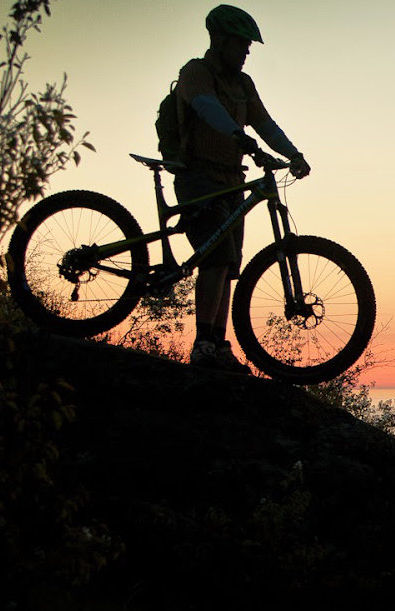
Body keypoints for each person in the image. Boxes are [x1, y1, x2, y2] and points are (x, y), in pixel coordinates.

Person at [173, 4, 311, 373]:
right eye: (241, 44)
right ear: (219, 41)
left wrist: (294, 153)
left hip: (232, 180)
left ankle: (217, 343)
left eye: (249, 45)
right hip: (198, 179)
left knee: (229, 266)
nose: (247, 52)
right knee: (215, 260)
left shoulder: (243, 85)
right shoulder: (196, 73)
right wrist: (238, 135)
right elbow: (206, 108)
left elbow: (265, 124)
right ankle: (202, 344)